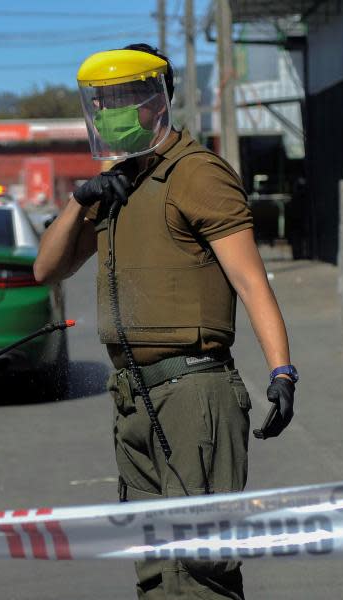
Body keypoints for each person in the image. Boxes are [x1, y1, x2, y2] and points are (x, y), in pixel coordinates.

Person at [33, 44, 297, 599]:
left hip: (192, 392)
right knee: (154, 566)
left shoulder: (198, 175)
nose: (109, 112)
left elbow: (251, 280)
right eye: (100, 102)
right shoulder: (114, 187)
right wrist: (83, 199)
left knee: (200, 569)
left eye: (123, 98)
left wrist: (282, 370)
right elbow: (46, 267)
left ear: (157, 100)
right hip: (133, 396)